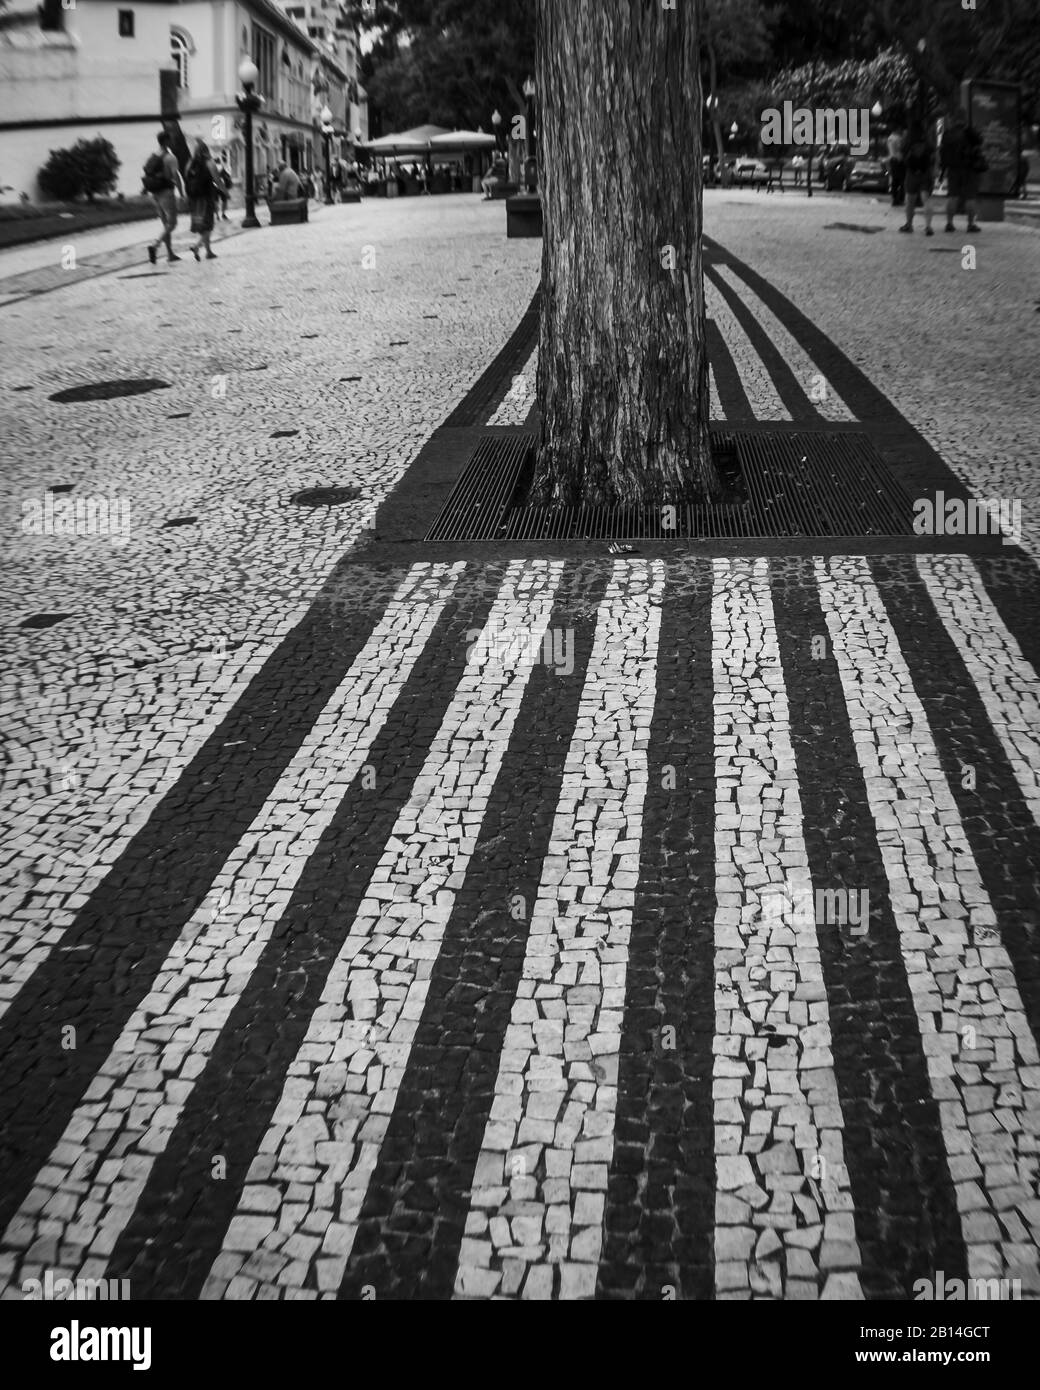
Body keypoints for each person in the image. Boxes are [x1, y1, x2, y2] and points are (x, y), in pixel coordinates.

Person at [144, 130, 184, 265]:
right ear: (166, 141)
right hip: (166, 192)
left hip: (155, 193)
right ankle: (155, 246)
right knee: (172, 224)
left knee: (165, 224)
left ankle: (170, 253)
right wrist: (182, 193)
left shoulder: (155, 155)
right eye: (170, 139)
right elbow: (176, 176)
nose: (172, 142)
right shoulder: (170, 158)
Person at [940, 110, 983, 233]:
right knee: (970, 198)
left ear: (954, 119)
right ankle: (970, 225)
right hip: (969, 169)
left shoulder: (948, 134)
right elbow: (980, 142)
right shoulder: (970, 132)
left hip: (953, 169)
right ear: (965, 119)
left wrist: (943, 169)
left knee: (952, 197)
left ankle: (949, 223)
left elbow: (942, 152)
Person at [185, 138, 221, 260]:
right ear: (206, 150)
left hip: (194, 198)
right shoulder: (209, 163)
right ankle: (197, 246)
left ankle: (209, 251)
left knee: (201, 225)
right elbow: (217, 179)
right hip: (206, 197)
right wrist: (225, 192)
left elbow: (187, 178)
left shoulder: (190, 163)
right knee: (208, 224)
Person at [900, 121, 935, 235]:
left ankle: (909, 225)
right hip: (925, 172)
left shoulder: (908, 139)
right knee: (926, 199)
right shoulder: (927, 139)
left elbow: (901, 155)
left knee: (910, 200)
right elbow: (934, 153)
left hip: (912, 173)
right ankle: (928, 226)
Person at [886, 126, 906, 206]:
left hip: (892, 159)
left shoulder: (890, 138)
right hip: (899, 160)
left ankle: (894, 199)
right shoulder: (898, 138)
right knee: (902, 181)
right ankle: (900, 199)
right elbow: (900, 148)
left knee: (894, 181)